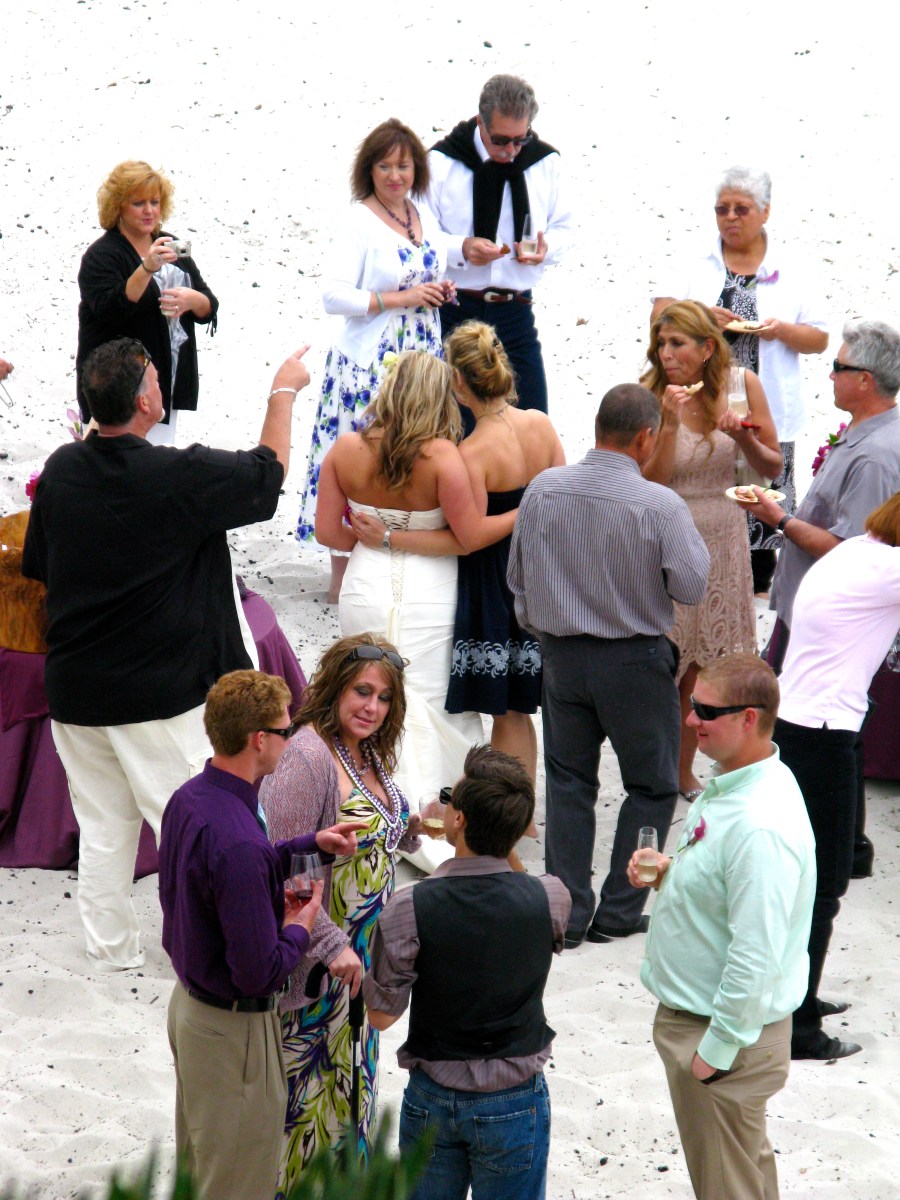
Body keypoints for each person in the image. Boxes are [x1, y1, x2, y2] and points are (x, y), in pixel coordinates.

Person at [21, 336, 311, 970]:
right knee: (197, 824)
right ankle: (219, 952)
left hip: (76, 690)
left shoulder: (64, 470)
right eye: (155, 377)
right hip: (156, 694)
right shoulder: (176, 475)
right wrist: (283, 391)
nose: (160, 384)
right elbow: (267, 476)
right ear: (146, 402)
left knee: (105, 827)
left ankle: (111, 951)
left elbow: (41, 566)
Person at [507, 384, 709, 947]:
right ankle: (619, 911)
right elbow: (692, 586)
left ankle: (568, 915)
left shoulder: (544, 489)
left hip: (561, 656)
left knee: (568, 783)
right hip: (635, 660)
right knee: (651, 784)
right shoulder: (659, 504)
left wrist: (549, 630)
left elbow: (517, 580)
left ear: (598, 427)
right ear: (646, 437)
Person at [159, 669, 365, 1200]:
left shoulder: (190, 798)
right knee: (237, 1183)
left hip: (190, 1009)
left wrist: (307, 844)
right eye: (284, 729)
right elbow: (259, 973)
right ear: (258, 739)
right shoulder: (239, 841)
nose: (290, 738)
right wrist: (299, 927)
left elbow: (222, 875)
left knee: (201, 1169)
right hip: (233, 1033)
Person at [630, 654, 815, 1200]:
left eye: (706, 711)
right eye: (693, 705)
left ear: (749, 719)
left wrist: (714, 1055)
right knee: (744, 1177)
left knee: (728, 1187)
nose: (691, 720)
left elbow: (756, 955)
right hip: (715, 1030)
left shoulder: (759, 826)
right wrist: (673, 873)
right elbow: (732, 892)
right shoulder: (743, 781)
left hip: (721, 1037)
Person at [351, 320, 565, 780]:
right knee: (521, 709)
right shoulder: (541, 424)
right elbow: (562, 499)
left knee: (505, 710)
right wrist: (534, 507)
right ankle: (523, 805)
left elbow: (470, 536)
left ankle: (510, 806)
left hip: (495, 580)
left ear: (460, 384)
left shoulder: (472, 451)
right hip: (542, 571)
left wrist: (389, 537)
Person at [363, 745, 571, 1200]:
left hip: (434, 1096)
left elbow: (381, 1016)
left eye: (449, 799)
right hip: (515, 1097)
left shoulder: (409, 907)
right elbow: (518, 882)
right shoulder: (552, 897)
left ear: (457, 819)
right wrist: (500, 837)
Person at [315, 350, 516, 813]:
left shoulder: (345, 449)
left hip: (364, 585)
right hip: (432, 592)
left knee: (365, 691)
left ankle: (367, 802)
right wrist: (523, 511)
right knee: (430, 699)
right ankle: (438, 812)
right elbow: (468, 539)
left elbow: (328, 533)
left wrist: (375, 541)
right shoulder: (442, 456)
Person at [259, 634, 420, 1191]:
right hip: (319, 969)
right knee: (305, 1115)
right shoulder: (306, 758)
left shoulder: (364, 750)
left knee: (351, 1105)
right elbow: (288, 872)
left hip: (360, 967)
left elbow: (371, 829)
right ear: (334, 688)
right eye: (362, 692)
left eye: (384, 698)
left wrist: (411, 827)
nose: (372, 707)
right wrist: (332, 947)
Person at [751, 318, 900, 876]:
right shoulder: (863, 434)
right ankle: (840, 845)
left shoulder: (876, 455)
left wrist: (778, 518)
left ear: (865, 380)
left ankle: (835, 849)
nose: (829, 375)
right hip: (816, 609)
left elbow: (852, 550)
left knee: (824, 739)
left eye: (838, 367)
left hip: (832, 624)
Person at [296, 119, 453, 602]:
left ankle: (400, 552)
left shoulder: (421, 213)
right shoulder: (358, 221)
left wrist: (440, 289)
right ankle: (342, 572)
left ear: (416, 169)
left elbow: (431, 267)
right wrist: (399, 298)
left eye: (403, 166)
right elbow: (333, 295)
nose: (395, 176)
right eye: (384, 167)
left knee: (413, 452)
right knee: (361, 454)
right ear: (369, 170)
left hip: (422, 356)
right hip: (371, 359)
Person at [651, 166, 829, 592]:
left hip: (765, 398)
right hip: (703, 398)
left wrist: (781, 330)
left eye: (741, 209)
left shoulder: (792, 267)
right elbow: (659, 316)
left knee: (763, 493)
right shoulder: (694, 261)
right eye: (722, 209)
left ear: (765, 212)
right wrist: (699, 314)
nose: (730, 217)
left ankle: (754, 581)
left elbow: (819, 339)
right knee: (704, 483)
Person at [774, 493, 900, 1060]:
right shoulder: (889, 570)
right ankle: (799, 1027)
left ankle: (800, 996)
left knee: (824, 870)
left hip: (802, 723)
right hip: (821, 733)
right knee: (822, 886)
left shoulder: (854, 552)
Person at [641, 300, 782, 797]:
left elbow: (772, 466)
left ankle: (684, 771)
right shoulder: (649, 394)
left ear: (706, 348)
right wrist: (669, 425)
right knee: (666, 663)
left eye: (676, 343)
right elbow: (648, 483)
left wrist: (743, 439)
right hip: (668, 537)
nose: (665, 353)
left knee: (706, 668)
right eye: (661, 343)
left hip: (724, 539)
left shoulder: (742, 385)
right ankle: (658, 769)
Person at [429, 74, 572, 418]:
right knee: (454, 428)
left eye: (520, 140)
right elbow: (418, 237)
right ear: (481, 122)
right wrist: (462, 248)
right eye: (501, 140)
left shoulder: (544, 163)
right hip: (455, 311)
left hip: (515, 313)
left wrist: (546, 250)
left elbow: (565, 228)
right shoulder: (441, 163)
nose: (511, 150)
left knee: (533, 424)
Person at [77, 160, 218, 446]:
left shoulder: (169, 244)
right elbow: (111, 309)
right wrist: (146, 269)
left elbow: (209, 308)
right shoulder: (101, 255)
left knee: (157, 461)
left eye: (154, 202)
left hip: (163, 384)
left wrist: (193, 300)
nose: (149, 210)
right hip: (116, 389)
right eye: (138, 203)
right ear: (118, 206)